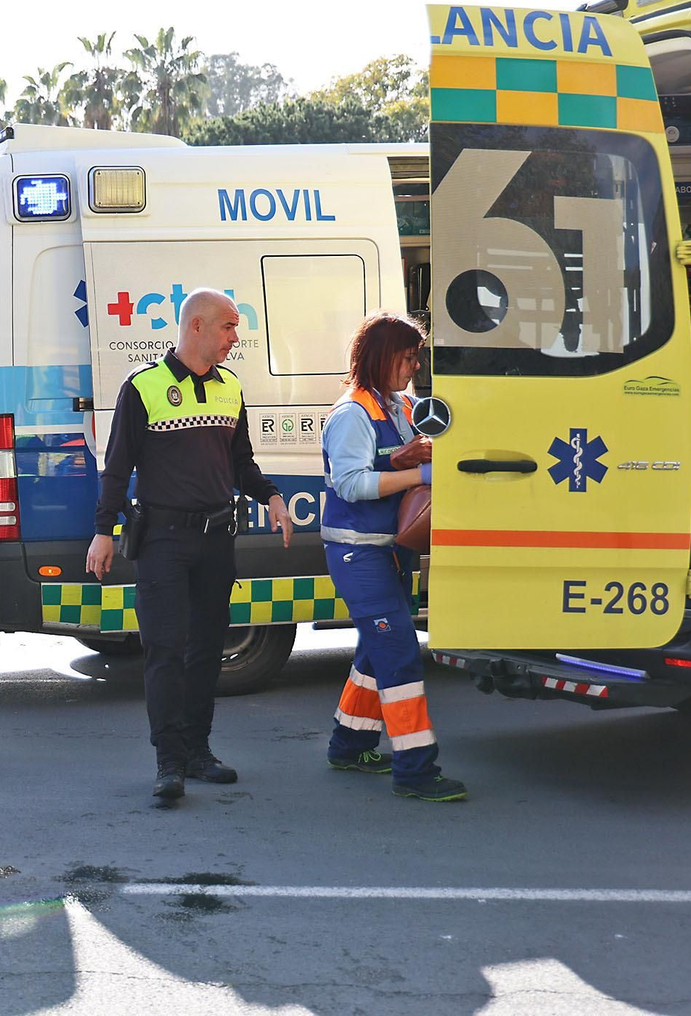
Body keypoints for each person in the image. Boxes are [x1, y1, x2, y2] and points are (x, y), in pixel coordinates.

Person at [87, 288, 293, 800]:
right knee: (164, 649)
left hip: (216, 538)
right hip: (163, 540)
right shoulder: (145, 386)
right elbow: (118, 466)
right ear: (196, 326)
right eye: (228, 327)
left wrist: (270, 495)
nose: (234, 338)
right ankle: (169, 761)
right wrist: (104, 529)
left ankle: (199, 751)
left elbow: (240, 461)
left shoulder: (230, 388)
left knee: (206, 650)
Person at [320, 313, 465, 802]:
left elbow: (393, 458)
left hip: (388, 551)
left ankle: (349, 744)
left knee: (376, 650)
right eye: (408, 357)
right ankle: (416, 770)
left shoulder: (401, 405)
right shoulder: (351, 414)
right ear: (383, 357)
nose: (414, 366)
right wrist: (418, 476)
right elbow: (350, 483)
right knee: (399, 653)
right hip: (358, 554)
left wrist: (408, 458)